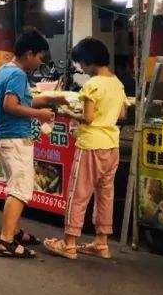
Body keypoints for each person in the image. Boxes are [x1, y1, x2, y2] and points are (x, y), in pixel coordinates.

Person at [44, 38, 124, 260]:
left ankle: (69, 243)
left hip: (91, 145)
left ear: (89, 61)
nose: (81, 69)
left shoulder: (93, 84)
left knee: (78, 194)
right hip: (111, 145)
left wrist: (69, 113)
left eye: (81, 64)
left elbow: (87, 118)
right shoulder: (117, 83)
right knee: (105, 194)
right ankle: (101, 242)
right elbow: (121, 115)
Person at [0, 30, 61, 258]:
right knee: (20, 189)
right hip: (13, 136)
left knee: (16, 185)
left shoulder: (5, 69)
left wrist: (50, 99)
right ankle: (6, 240)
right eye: (39, 57)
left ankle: (16, 231)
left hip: (5, 135)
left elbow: (21, 100)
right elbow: (10, 105)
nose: (40, 61)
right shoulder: (18, 75)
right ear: (29, 53)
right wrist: (39, 115)